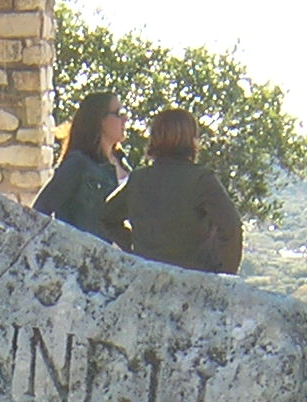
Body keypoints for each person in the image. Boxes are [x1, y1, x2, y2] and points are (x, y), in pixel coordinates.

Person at [100, 108, 242, 274]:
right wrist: (227, 275)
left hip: (149, 276)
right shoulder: (201, 179)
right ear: (192, 140)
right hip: (197, 278)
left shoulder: (138, 179)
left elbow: (107, 217)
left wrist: (136, 249)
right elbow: (232, 227)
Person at [32, 91, 128, 240]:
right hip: (86, 257)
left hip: (122, 259)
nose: (125, 119)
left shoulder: (122, 162)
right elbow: (40, 211)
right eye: (118, 113)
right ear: (99, 119)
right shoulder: (78, 164)